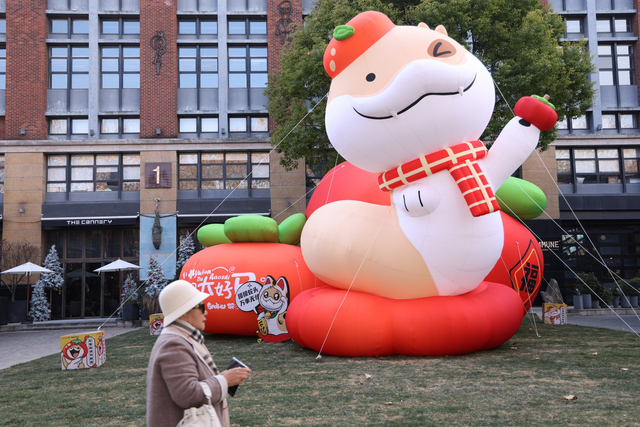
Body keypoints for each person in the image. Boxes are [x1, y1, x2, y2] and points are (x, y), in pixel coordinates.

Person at [147, 280, 251, 427]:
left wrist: (222, 379)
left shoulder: (181, 338)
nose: (206, 312)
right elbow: (187, 394)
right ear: (183, 313)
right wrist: (224, 380)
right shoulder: (174, 344)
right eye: (201, 306)